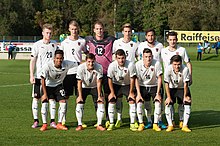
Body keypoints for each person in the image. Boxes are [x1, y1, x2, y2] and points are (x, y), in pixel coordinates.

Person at [85, 21, 115, 128]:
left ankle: (108, 117)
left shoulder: (111, 40)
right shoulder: (88, 40)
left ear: (103, 29)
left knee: (107, 96)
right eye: (97, 29)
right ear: (94, 30)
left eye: (101, 28)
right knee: (97, 96)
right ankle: (99, 119)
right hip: (94, 74)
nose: (99, 31)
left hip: (106, 73)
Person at [40, 49, 78, 131]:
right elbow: (42, 79)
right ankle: (44, 124)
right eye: (57, 58)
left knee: (63, 102)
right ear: (54, 58)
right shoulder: (48, 66)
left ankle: (59, 123)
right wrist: (45, 94)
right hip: (47, 85)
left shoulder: (67, 63)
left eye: (60, 58)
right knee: (46, 103)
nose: (59, 60)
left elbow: (78, 63)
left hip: (58, 86)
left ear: (63, 58)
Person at [161, 31, 192, 128]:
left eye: (174, 39)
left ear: (177, 40)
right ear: (167, 40)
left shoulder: (182, 50)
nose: (172, 41)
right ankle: (172, 122)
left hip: (181, 80)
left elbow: (188, 63)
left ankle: (182, 121)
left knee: (183, 102)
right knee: (169, 102)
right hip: (169, 82)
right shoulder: (163, 51)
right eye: (170, 40)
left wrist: (190, 76)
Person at [29, 23, 57, 129]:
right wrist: (32, 75)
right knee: (36, 98)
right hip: (38, 76)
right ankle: (36, 120)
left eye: (50, 33)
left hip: (51, 77)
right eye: (47, 33)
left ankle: (52, 121)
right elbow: (33, 60)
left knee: (51, 99)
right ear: (42, 33)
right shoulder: (37, 45)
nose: (49, 35)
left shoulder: (54, 44)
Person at [137, 28, 166, 129]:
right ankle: (149, 121)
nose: (151, 37)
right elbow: (138, 57)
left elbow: (164, 59)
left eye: (152, 35)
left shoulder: (160, 45)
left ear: (155, 36)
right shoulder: (141, 45)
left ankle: (159, 121)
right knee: (146, 103)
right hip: (144, 79)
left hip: (156, 78)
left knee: (160, 102)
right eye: (149, 35)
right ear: (146, 36)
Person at [112, 23, 139, 128]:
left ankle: (134, 120)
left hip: (130, 77)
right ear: (122, 32)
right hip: (118, 77)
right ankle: (119, 119)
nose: (127, 33)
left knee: (132, 98)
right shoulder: (117, 43)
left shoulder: (135, 44)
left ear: (131, 32)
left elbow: (138, 58)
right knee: (118, 99)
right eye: (125, 31)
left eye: (129, 31)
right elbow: (114, 57)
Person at [60, 20, 86, 126]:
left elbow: (87, 54)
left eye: (76, 29)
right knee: (65, 97)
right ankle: (63, 120)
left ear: (78, 29)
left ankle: (80, 122)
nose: (74, 31)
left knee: (79, 96)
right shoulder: (64, 42)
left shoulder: (82, 41)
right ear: (69, 30)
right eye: (72, 29)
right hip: (67, 73)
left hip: (79, 73)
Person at [107, 49, 137, 131]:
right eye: (119, 58)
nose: (121, 60)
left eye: (123, 58)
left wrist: (131, 92)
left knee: (132, 100)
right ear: (116, 58)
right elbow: (109, 79)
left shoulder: (130, 65)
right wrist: (112, 92)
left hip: (127, 85)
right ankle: (113, 122)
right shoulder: (112, 65)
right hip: (116, 85)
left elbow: (132, 79)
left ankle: (132, 123)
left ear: (125, 57)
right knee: (112, 100)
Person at [75, 53, 106, 131]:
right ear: (86, 61)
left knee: (100, 102)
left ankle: (99, 124)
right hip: (83, 87)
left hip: (95, 86)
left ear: (94, 61)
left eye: (92, 61)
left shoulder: (99, 67)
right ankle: (80, 124)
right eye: (89, 61)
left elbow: (99, 82)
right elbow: (79, 82)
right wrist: (79, 96)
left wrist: (99, 96)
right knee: (79, 103)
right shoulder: (80, 68)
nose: (91, 63)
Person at [135, 48, 163, 132]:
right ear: (142, 57)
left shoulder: (157, 63)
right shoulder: (138, 64)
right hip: (142, 86)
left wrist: (158, 93)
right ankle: (142, 123)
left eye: (150, 56)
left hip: (154, 86)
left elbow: (160, 78)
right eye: (146, 56)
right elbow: (136, 79)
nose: (148, 59)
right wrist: (139, 94)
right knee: (141, 104)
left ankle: (155, 124)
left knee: (158, 104)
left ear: (152, 56)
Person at [164, 55, 192, 132]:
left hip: (182, 88)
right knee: (168, 104)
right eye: (175, 64)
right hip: (171, 88)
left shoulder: (185, 69)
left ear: (181, 63)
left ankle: (184, 124)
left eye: (178, 64)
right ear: (171, 64)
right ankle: (170, 125)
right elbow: (166, 83)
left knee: (187, 103)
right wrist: (168, 97)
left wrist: (185, 96)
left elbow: (186, 83)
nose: (177, 66)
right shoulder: (167, 69)